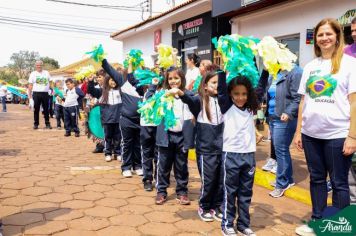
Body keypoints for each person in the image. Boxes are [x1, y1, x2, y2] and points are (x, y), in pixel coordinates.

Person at [294, 18, 356, 236]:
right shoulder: (310, 67)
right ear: (316, 39)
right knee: (317, 179)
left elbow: (354, 101)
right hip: (311, 135)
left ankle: (339, 228)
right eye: (320, 34)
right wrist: (299, 131)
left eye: (329, 34)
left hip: (337, 134)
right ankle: (318, 222)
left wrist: (353, 137)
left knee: (339, 183)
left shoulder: (349, 64)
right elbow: (304, 101)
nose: (324, 38)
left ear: (337, 36)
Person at [169, 68, 224, 222]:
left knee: (220, 181)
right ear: (205, 85)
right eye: (213, 83)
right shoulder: (199, 100)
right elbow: (189, 100)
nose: (217, 86)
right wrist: (181, 93)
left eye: (220, 83)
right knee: (209, 180)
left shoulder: (224, 100)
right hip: (206, 150)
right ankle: (204, 206)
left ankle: (217, 206)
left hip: (222, 148)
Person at [217, 71, 258, 236]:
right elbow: (220, 89)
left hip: (249, 156)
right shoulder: (226, 106)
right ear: (229, 94)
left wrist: (267, 67)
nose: (240, 97)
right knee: (230, 191)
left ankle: (243, 225)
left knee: (246, 193)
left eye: (244, 94)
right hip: (231, 156)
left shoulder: (250, 108)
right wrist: (222, 71)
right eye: (236, 94)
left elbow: (261, 85)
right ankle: (227, 224)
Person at [257, 66, 303, 198]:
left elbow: (298, 98)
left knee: (281, 150)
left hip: (285, 118)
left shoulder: (295, 72)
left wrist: (288, 112)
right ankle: (288, 179)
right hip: (272, 116)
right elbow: (265, 91)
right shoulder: (273, 72)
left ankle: (281, 183)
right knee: (280, 150)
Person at [153, 66, 195, 205]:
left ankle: (182, 192)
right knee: (163, 165)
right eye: (170, 78)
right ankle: (161, 191)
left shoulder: (187, 95)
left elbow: (194, 106)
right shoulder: (162, 95)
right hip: (166, 136)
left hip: (182, 136)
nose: (173, 81)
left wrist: (181, 94)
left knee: (181, 166)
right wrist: (164, 95)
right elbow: (153, 106)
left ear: (182, 79)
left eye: (176, 78)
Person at [101, 59, 142, 178]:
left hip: (141, 121)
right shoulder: (123, 82)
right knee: (127, 144)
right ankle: (126, 167)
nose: (135, 74)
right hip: (126, 120)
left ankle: (138, 166)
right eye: (133, 71)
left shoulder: (144, 86)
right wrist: (103, 60)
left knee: (138, 144)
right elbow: (110, 71)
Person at [88, 74, 122, 162]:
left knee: (118, 137)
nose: (113, 82)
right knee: (108, 137)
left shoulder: (120, 91)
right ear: (107, 81)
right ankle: (108, 153)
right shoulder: (102, 91)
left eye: (115, 80)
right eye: (111, 80)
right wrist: (91, 82)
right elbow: (92, 91)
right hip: (107, 120)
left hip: (118, 119)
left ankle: (118, 153)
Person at [344, 17, 356, 205]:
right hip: (349, 120)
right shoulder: (346, 53)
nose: (353, 34)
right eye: (352, 30)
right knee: (350, 175)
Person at [28, 60, 53, 129]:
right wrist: (30, 96)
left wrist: (51, 90)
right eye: (37, 65)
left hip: (45, 93)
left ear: (42, 65)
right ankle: (36, 124)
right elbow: (30, 85)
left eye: (40, 65)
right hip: (36, 93)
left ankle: (47, 123)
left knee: (46, 109)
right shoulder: (33, 74)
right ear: (35, 66)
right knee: (36, 109)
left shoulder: (46, 73)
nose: (39, 66)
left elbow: (50, 82)